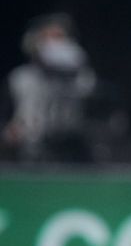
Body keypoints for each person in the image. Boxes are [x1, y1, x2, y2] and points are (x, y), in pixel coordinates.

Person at [0, 13, 120, 163]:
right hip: (28, 150)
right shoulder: (19, 78)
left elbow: (106, 115)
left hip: (72, 149)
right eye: (47, 37)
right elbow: (5, 116)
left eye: (59, 37)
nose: (54, 44)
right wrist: (8, 132)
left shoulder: (84, 79)